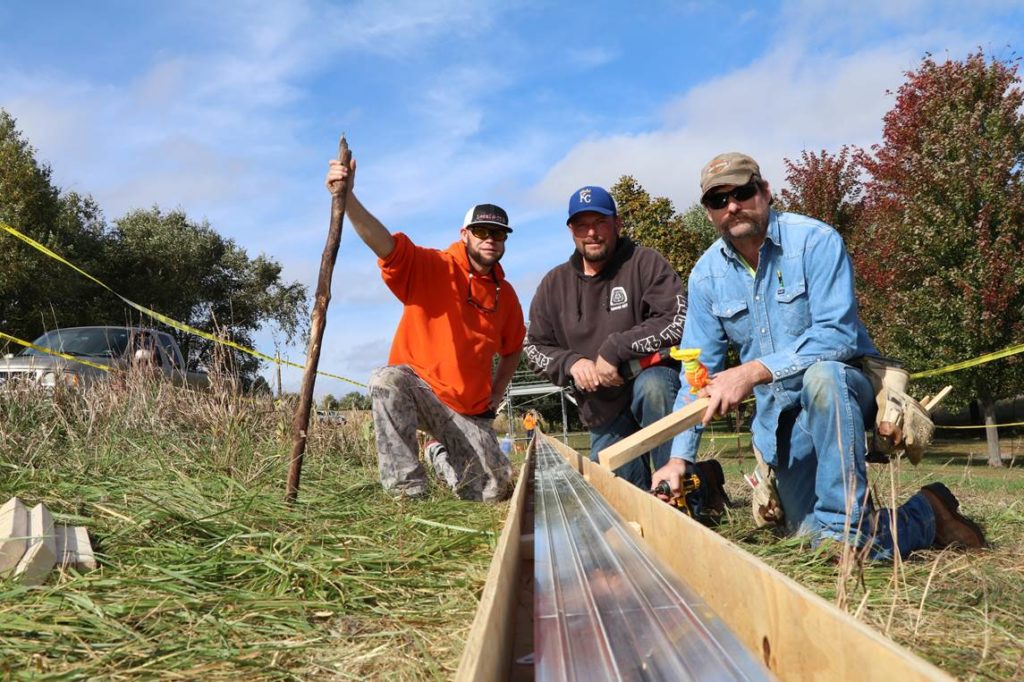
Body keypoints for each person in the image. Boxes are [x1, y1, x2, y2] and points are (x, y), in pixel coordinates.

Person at [653, 152, 985, 559]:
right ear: (708, 213)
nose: (733, 206)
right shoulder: (706, 275)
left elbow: (838, 335)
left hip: (843, 392)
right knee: (810, 540)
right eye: (719, 201)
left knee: (823, 377)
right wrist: (679, 459)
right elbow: (696, 373)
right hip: (782, 420)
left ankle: (844, 532)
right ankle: (926, 515)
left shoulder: (815, 241)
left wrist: (753, 371)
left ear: (765, 191)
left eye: (742, 192)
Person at [325, 158, 526, 502]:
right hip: (421, 391)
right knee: (386, 381)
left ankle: (440, 456)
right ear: (464, 235)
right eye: (481, 232)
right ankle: (408, 492)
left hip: (468, 410)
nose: (490, 239)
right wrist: (349, 199)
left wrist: (496, 395)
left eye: (498, 234)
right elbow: (383, 244)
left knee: (496, 490)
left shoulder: (505, 296)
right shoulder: (433, 266)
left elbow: (512, 350)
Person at [525, 186, 686, 490]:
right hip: (601, 408)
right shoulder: (553, 284)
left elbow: (676, 320)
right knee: (621, 498)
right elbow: (534, 346)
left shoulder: (645, 263)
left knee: (655, 389)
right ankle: (695, 483)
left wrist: (616, 348)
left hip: (649, 381)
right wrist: (571, 363)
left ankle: (684, 498)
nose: (592, 233)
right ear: (571, 230)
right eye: (582, 225)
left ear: (617, 223)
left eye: (600, 222)